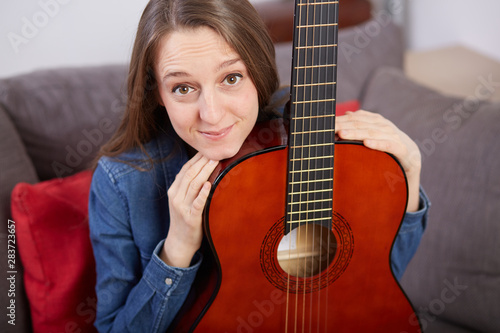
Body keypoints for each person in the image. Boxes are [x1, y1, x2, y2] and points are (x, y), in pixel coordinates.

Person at [88, 0, 430, 331]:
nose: (211, 114)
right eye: (183, 87)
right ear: (156, 93)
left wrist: (409, 173)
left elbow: (375, 281)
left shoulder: (313, 141)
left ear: (258, 69)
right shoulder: (120, 182)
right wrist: (176, 249)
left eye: (231, 78)